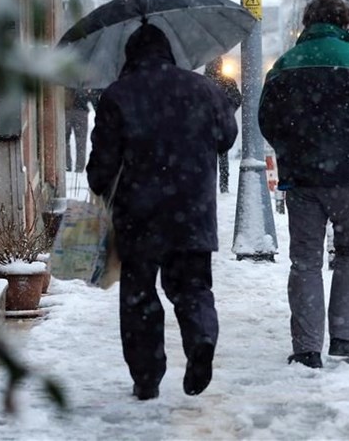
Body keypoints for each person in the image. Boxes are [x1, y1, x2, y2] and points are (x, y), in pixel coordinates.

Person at [86, 22, 238, 400]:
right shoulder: (202, 88)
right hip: (193, 212)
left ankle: (147, 377)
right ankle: (201, 336)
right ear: (171, 51)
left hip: (138, 216)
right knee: (193, 286)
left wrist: (101, 181)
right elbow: (227, 138)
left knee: (139, 296)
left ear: (129, 56)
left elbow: (102, 167)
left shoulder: (118, 95)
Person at [257, 0, 349, 369]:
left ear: (308, 23)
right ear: (346, 23)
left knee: (305, 261)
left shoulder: (286, 64)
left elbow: (266, 118)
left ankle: (307, 349)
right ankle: (345, 338)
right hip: (348, 176)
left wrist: (290, 149)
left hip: (301, 178)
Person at [204, 56, 243, 193]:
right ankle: (223, 184)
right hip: (222, 124)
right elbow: (238, 99)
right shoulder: (227, 82)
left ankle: (210, 184)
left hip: (206, 125)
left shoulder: (202, 82)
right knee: (223, 155)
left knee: (207, 156)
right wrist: (228, 111)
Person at [64, 87, 100, 172]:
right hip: (79, 110)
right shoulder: (84, 80)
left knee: (66, 140)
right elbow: (92, 95)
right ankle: (77, 167)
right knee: (79, 142)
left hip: (69, 110)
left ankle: (69, 165)